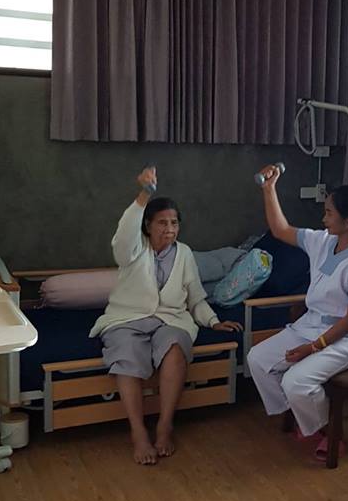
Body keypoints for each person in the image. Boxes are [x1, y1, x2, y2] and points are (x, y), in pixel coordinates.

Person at [90, 167, 242, 465]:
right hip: (127, 318)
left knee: (175, 349)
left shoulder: (184, 253)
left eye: (174, 223)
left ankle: (164, 425)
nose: (169, 229)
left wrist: (213, 321)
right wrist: (144, 194)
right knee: (127, 353)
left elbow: (195, 297)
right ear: (147, 226)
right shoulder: (133, 249)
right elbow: (123, 236)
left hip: (170, 320)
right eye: (162, 223)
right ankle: (138, 432)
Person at [247, 165, 348, 460]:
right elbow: (280, 230)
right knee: (257, 359)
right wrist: (269, 189)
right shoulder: (323, 240)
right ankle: (304, 415)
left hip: (346, 338)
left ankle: (330, 434)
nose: (324, 218)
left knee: (296, 381)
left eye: (329, 213)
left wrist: (312, 348)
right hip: (309, 325)